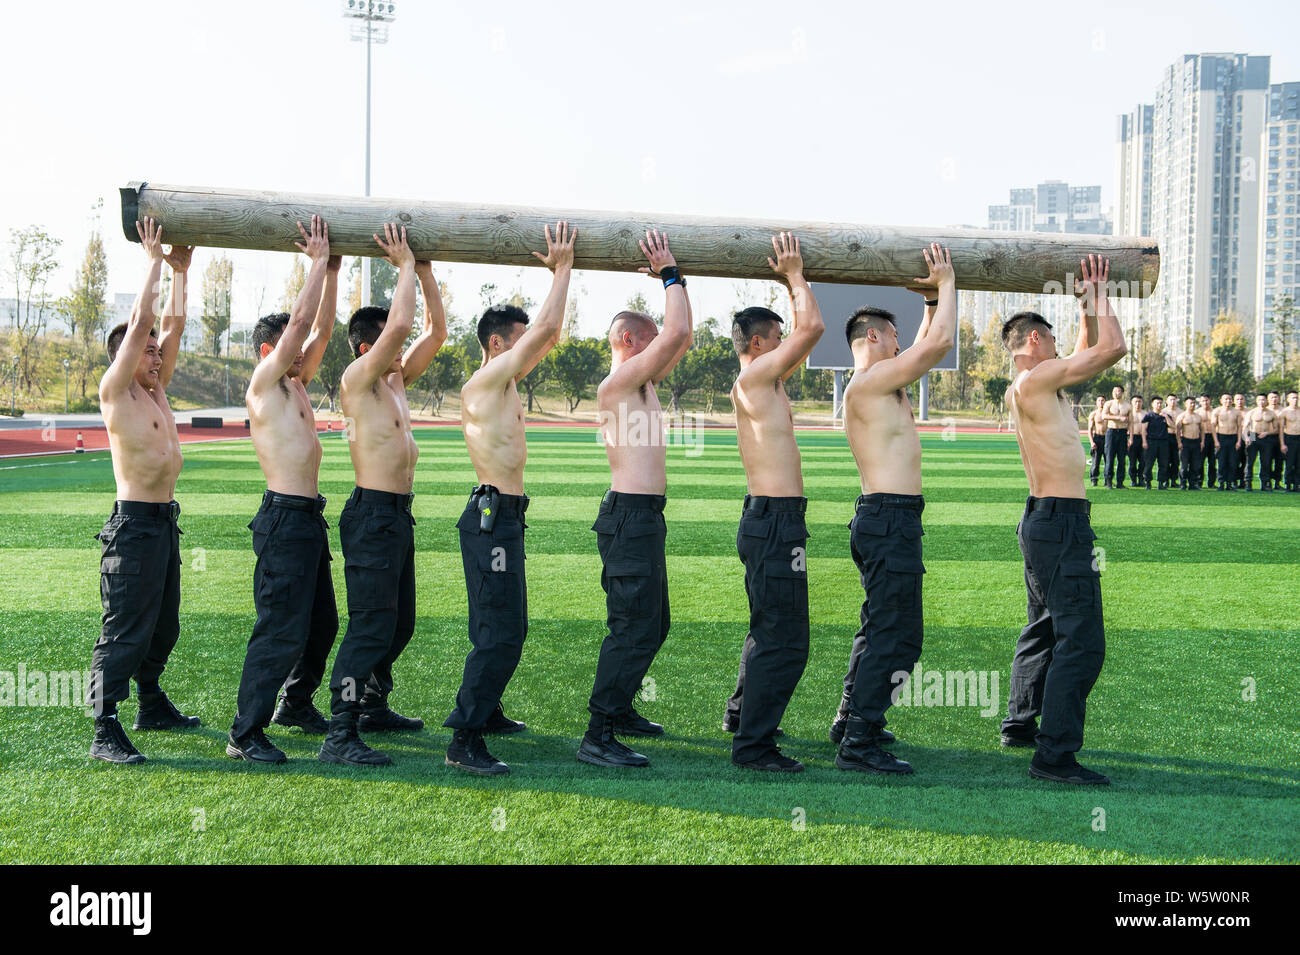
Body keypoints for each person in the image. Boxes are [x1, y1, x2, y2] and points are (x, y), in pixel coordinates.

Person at [445, 221, 576, 775]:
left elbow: (549, 331)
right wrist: (563, 266)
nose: (531, 350)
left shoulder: (506, 384)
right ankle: (464, 739)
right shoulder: (483, 384)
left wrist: (558, 286)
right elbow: (545, 327)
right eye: (518, 342)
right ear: (497, 344)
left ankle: (489, 710)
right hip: (491, 517)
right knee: (501, 631)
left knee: (505, 625)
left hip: (505, 517)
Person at [319, 224, 446, 767]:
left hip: (396, 515)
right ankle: (339, 731)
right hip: (372, 514)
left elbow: (435, 331)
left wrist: (424, 272)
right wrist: (400, 267)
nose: (404, 351)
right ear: (371, 349)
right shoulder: (359, 380)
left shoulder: (393, 381)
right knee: (370, 626)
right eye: (392, 346)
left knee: (400, 623)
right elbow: (402, 325)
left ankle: (372, 703)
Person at [829, 244, 957, 776]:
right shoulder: (870, 382)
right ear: (876, 338)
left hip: (886, 518)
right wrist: (948, 284)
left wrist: (929, 300)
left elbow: (928, 338)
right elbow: (941, 344)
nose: (906, 345)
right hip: (889, 519)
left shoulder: (880, 383)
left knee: (879, 626)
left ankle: (851, 719)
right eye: (896, 336)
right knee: (899, 634)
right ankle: (859, 742)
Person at [998, 254, 1123, 786]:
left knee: (1045, 627)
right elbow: (1110, 350)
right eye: (1049, 340)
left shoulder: (1030, 385)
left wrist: (1083, 305)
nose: (1056, 348)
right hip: (1063, 523)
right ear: (1032, 343)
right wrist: (1099, 292)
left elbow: (1082, 350)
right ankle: (1054, 757)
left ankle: (1021, 723)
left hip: (1042, 520)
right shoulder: (1036, 383)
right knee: (1082, 640)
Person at [578, 229, 693, 768]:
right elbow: (677, 334)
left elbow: (680, 337)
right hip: (628, 518)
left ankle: (619, 710)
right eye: (647, 342)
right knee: (633, 625)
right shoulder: (619, 383)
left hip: (644, 517)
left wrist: (672, 285)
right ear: (627, 341)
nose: (658, 350)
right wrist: (670, 274)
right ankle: (598, 733)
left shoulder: (639, 381)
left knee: (656, 622)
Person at [228, 216, 340, 763]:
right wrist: (315, 260)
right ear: (268, 350)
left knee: (323, 623)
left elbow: (318, 329)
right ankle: (244, 733)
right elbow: (301, 323)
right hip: (283, 520)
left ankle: (294, 703)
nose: (301, 355)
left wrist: (335, 269)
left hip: (307, 520)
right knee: (280, 629)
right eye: (287, 349)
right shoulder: (265, 384)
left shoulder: (294, 383)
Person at [89, 218, 200, 764]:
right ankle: (103, 726)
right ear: (127, 358)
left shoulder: (157, 394)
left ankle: (150, 701)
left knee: (165, 625)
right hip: (132, 527)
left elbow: (171, 324)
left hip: (163, 523)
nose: (157, 356)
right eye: (148, 352)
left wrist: (181, 270)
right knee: (124, 631)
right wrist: (154, 259)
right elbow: (142, 326)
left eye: (157, 353)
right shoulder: (118, 392)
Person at [721, 233, 825, 772]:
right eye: (778, 341)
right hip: (774, 522)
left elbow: (800, 331)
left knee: (770, 625)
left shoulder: (766, 379)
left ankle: (742, 715)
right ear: (759, 345)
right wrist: (793, 275)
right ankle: (754, 747)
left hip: (774, 520)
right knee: (786, 638)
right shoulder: (758, 375)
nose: (791, 349)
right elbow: (814, 327)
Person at [1244, 394, 1277, 491]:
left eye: (1263, 400)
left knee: (1266, 461)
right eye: (1259, 400)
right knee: (1250, 461)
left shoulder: (1271, 413)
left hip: (1266, 438)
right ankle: (1248, 482)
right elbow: (1245, 427)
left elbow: (1276, 429)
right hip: (1253, 435)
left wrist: (1267, 433)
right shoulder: (1251, 412)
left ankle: (1265, 483)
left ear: (1266, 401)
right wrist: (1246, 438)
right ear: (1256, 401)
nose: (1261, 402)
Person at [1210, 393, 1242, 491]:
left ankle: (1230, 483)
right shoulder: (1217, 411)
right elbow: (1213, 426)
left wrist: (1239, 441)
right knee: (1222, 462)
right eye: (1225, 399)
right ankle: (1221, 482)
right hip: (1221, 437)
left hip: (1233, 438)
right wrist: (1216, 441)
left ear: (1232, 401)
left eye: (1229, 399)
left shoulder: (1236, 412)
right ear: (1221, 400)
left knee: (1232, 462)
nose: (1228, 401)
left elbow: (1240, 427)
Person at [1101, 385, 1130, 488]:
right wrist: (1118, 418)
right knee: (1109, 458)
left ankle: (1120, 482)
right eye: (1114, 391)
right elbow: (1104, 416)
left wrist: (1130, 437)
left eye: (1118, 391)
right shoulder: (1109, 404)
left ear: (1122, 393)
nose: (1116, 393)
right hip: (1111, 432)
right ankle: (1108, 481)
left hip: (1122, 433)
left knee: (1122, 459)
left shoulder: (1127, 405)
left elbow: (1131, 422)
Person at [1140, 397, 1171, 489]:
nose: (1159, 405)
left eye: (1161, 403)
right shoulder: (1148, 416)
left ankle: (1161, 483)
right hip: (1151, 441)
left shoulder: (1166, 416)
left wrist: (1165, 417)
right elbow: (1143, 430)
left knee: (1163, 463)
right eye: (1157, 403)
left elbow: (1172, 426)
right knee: (1149, 463)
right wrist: (1144, 441)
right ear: (1152, 404)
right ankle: (1148, 482)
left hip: (1163, 442)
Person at [1175, 397, 1204, 490]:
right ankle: (1183, 483)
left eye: (1194, 403)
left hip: (1196, 442)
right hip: (1185, 442)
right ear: (1185, 404)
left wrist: (1202, 441)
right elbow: (1177, 430)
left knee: (1195, 465)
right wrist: (1179, 442)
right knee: (1184, 464)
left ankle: (1193, 484)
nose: (1192, 405)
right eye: (1190, 403)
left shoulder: (1198, 416)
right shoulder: (1182, 416)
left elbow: (1202, 430)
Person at [1281, 391, 1300, 492]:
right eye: (1293, 398)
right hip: (1289, 438)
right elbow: (1281, 430)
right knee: (1289, 463)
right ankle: (1288, 484)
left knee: (1298, 463)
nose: (1295, 400)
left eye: (1297, 397)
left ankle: (1297, 484)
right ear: (1288, 399)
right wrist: (1282, 443)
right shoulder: (1285, 412)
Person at [1086, 396, 1106, 486]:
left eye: (1102, 400)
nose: (1101, 402)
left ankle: (1107, 480)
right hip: (1097, 438)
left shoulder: (1109, 414)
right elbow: (1089, 430)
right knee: (1096, 461)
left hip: (1108, 439)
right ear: (1096, 402)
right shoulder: (1093, 414)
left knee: (1108, 461)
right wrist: (1092, 442)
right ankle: (1094, 479)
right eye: (1099, 400)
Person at [1127, 395, 1145, 488]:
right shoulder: (1129, 414)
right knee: (1132, 462)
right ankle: (1133, 480)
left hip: (1143, 439)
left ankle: (1141, 479)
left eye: (1139, 401)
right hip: (1132, 439)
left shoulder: (1145, 414)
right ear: (1132, 403)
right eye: (1135, 402)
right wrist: (1128, 440)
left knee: (1143, 461)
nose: (1138, 404)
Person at [1198, 395, 1216, 488]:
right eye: (1203, 401)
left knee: (1212, 462)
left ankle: (1211, 482)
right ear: (1200, 402)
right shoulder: (1197, 412)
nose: (1205, 402)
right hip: (1201, 437)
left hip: (1213, 437)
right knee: (1200, 461)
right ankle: (1199, 481)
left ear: (1210, 400)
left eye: (1207, 400)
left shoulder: (1215, 412)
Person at [1267, 392, 1284, 488]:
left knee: (1279, 461)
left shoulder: (1283, 411)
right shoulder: (1264, 410)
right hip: (1267, 439)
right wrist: (1252, 440)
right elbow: (1253, 427)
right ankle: (1267, 481)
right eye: (1271, 397)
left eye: (1275, 397)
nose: (1274, 399)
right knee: (1267, 460)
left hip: (1280, 438)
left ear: (1279, 398)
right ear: (1268, 399)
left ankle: (1277, 482)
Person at [1232, 393, 1248, 487]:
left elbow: (1252, 427)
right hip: (1234, 437)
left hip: (1247, 438)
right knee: (1234, 460)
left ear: (1244, 400)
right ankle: (1234, 480)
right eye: (1237, 399)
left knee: (1246, 460)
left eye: (1241, 399)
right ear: (1234, 401)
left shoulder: (1249, 412)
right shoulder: (1232, 412)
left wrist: (1250, 440)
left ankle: (1243, 481)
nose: (1239, 401)